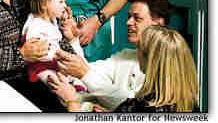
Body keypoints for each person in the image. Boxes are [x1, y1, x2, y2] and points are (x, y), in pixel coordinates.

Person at [50, 0, 174, 111]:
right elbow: (86, 71)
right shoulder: (125, 55)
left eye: (137, 18)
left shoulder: (167, 67)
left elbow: (135, 108)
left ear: (158, 24)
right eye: (129, 17)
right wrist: (73, 41)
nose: (128, 22)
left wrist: (76, 95)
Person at [49, 25, 199, 112]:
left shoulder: (143, 106)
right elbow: (89, 69)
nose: (129, 23)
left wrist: (71, 101)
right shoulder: (190, 104)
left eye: (141, 49)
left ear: (151, 59)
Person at [22, 0, 85, 91]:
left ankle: (77, 86)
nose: (65, 5)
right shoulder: (35, 24)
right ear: (44, 3)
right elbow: (34, 50)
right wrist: (55, 55)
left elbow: (57, 38)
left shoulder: (52, 21)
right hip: (40, 68)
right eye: (61, 1)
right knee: (54, 79)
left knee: (76, 71)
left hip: (54, 64)